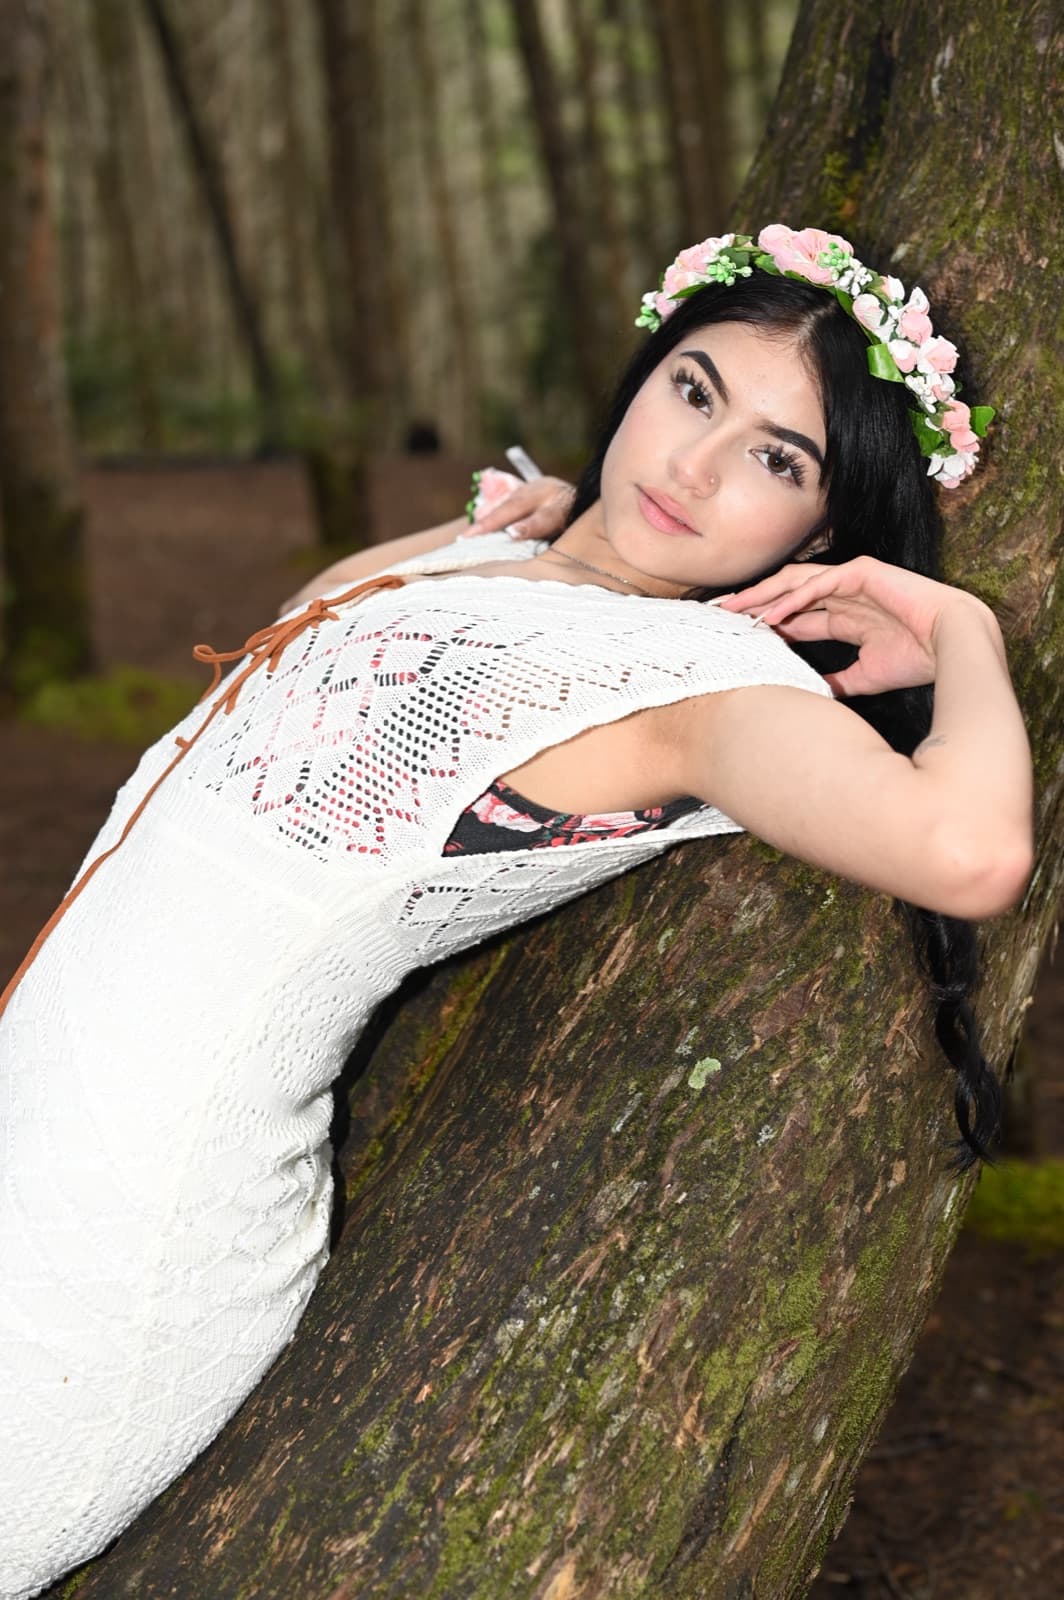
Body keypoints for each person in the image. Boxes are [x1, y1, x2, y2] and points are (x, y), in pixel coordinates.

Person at [0, 225, 1032, 1597]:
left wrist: (962, 631)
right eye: (697, 391)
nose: (698, 465)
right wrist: (496, 530)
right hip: (34, 1106)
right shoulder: (495, 552)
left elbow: (969, 855)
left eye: (780, 463)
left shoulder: (701, 685)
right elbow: (292, 641)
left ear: (826, 533)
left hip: (134, 1228)